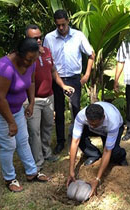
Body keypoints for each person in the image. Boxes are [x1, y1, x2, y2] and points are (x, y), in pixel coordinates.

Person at [0, 38, 50, 193]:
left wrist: (31, 102)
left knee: (23, 140)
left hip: (16, 110)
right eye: (28, 59)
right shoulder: (4, 68)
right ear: (18, 54)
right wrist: (11, 123)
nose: (30, 63)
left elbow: (31, 82)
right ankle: (9, 178)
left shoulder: (30, 63)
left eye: (33, 59)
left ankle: (32, 172)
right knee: (9, 145)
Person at [43, 9, 95, 155]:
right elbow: (46, 60)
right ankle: (60, 142)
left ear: (68, 21)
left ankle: (78, 140)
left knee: (76, 110)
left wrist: (87, 74)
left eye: (63, 25)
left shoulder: (78, 36)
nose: (61, 28)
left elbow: (91, 54)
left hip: (74, 78)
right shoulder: (49, 38)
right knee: (59, 112)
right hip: (57, 79)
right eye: (58, 25)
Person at [25, 24, 74, 171]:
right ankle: (38, 162)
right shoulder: (26, 56)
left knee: (47, 128)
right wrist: (30, 102)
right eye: (35, 38)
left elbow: (53, 71)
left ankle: (47, 153)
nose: (39, 40)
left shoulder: (46, 51)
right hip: (34, 100)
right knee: (34, 131)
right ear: (27, 39)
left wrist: (63, 86)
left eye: (40, 37)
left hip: (49, 97)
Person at [67, 102, 128, 196]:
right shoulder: (82, 115)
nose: (92, 126)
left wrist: (97, 179)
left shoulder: (113, 121)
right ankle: (93, 154)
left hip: (110, 129)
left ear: (103, 118)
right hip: (99, 126)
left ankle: (122, 155)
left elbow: (107, 151)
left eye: (95, 124)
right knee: (72, 130)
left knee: (113, 153)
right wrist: (71, 171)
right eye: (90, 123)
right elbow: (75, 142)